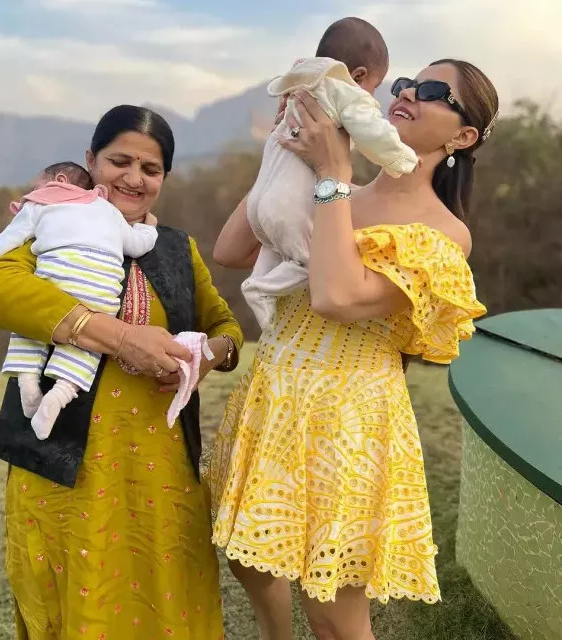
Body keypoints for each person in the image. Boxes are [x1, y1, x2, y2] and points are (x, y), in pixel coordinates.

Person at [208, 58, 497, 640]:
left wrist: (332, 171)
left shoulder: (444, 234)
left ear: (463, 137)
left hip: (348, 424)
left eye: (433, 91)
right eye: (405, 84)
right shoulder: (333, 190)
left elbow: (337, 297)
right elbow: (232, 249)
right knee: (249, 558)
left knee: (334, 616)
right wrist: (287, 150)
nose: (408, 93)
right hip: (274, 396)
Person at [0, 104, 243, 640]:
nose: (134, 179)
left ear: (164, 178)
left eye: (151, 169)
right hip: (64, 469)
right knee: (82, 605)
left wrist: (209, 357)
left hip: (162, 473)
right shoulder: (50, 222)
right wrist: (121, 337)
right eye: (120, 161)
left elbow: (226, 328)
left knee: (167, 602)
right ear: (91, 160)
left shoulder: (176, 248)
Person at [242, 18, 418, 331]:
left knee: (275, 247)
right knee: (311, 258)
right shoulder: (345, 91)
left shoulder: (301, 85)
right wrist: (400, 159)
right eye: (375, 86)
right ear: (358, 75)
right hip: (286, 205)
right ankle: (261, 288)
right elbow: (373, 134)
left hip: (259, 201)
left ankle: (258, 278)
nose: (374, 95)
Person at [0, 161, 158, 439]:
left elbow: (9, 239)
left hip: (56, 282)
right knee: (88, 345)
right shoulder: (110, 211)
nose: (32, 190)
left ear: (60, 180)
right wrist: (150, 228)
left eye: (36, 185)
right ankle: (60, 394)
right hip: (99, 291)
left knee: (31, 322)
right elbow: (138, 245)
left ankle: (27, 381)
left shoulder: (41, 203)